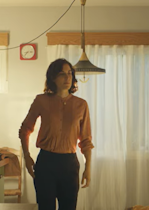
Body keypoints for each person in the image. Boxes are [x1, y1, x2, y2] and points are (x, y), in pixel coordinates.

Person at [19, 58, 94, 210]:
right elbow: (25, 129)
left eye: (69, 73)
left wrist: (88, 167)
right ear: (53, 77)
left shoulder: (81, 104)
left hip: (69, 164)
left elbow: (86, 139)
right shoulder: (41, 100)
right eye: (62, 74)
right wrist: (26, 156)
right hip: (46, 163)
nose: (67, 78)